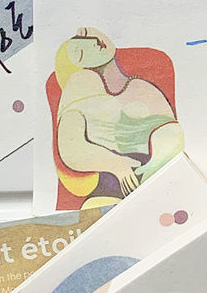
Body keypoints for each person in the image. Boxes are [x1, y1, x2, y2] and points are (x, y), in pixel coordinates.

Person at [52, 28, 184, 198]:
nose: (89, 38)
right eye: (79, 50)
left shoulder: (142, 87)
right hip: (110, 180)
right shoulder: (79, 85)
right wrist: (116, 165)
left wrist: (153, 168)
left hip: (159, 173)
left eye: (85, 34)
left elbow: (173, 133)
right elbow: (71, 149)